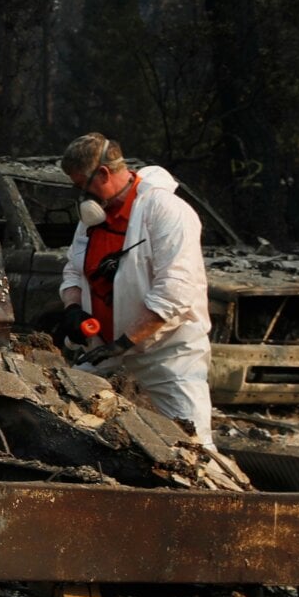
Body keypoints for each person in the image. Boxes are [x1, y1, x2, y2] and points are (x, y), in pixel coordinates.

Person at [57, 133, 215, 446]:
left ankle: (212, 493)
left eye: (81, 185)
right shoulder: (93, 219)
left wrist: (126, 341)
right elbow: (73, 270)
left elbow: (175, 291)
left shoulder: (166, 211)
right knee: (74, 428)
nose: (81, 195)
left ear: (103, 173)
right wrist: (73, 309)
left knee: (192, 445)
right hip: (105, 352)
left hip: (166, 355)